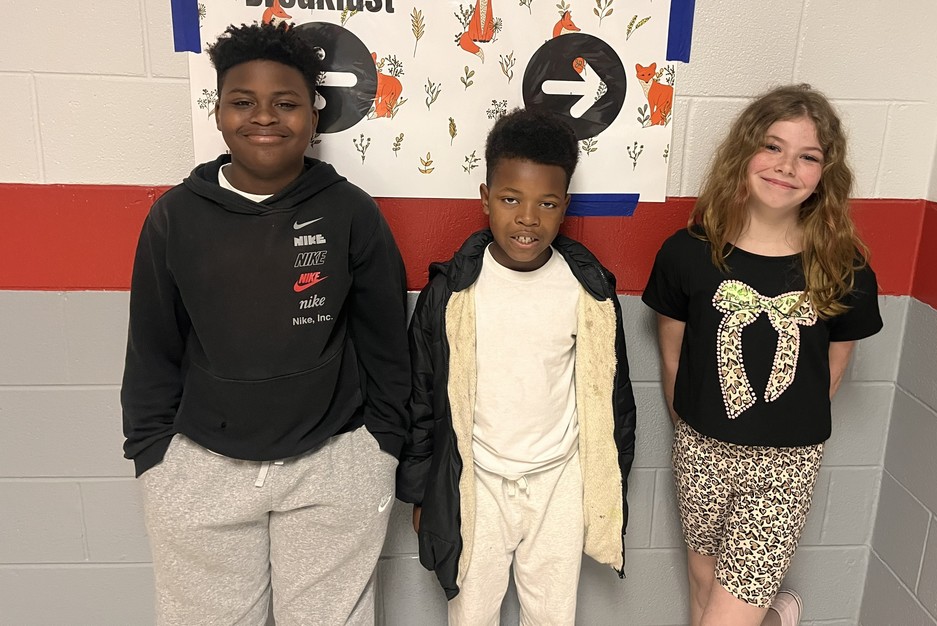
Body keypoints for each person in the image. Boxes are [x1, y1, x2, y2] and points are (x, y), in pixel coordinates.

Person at [120, 22, 410, 625]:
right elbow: (152, 347)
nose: (264, 118)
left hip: (334, 466)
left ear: (314, 115)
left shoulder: (351, 212)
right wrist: (155, 457)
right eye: (243, 101)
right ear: (218, 112)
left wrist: (379, 447)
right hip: (201, 469)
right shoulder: (174, 217)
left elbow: (386, 345)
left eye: (286, 103)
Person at [643, 84, 883, 626]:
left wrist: (778, 433)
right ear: (744, 151)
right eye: (772, 147)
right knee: (703, 585)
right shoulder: (688, 253)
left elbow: (833, 368)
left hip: (785, 464)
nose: (786, 167)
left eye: (808, 156)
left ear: (826, 173)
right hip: (701, 449)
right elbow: (673, 355)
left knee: (728, 616)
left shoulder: (844, 267)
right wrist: (693, 431)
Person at [396, 108, 636, 625]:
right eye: (511, 199)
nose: (528, 218)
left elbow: (614, 399)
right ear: (486, 199)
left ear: (564, 206)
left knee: (552, 616)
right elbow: (421, 398)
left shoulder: (587, 289)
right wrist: (422, 492)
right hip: (476, 482)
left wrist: (608, 483)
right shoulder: (452, 292)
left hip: (559, 482)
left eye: (546, 203)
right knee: (471, 614)